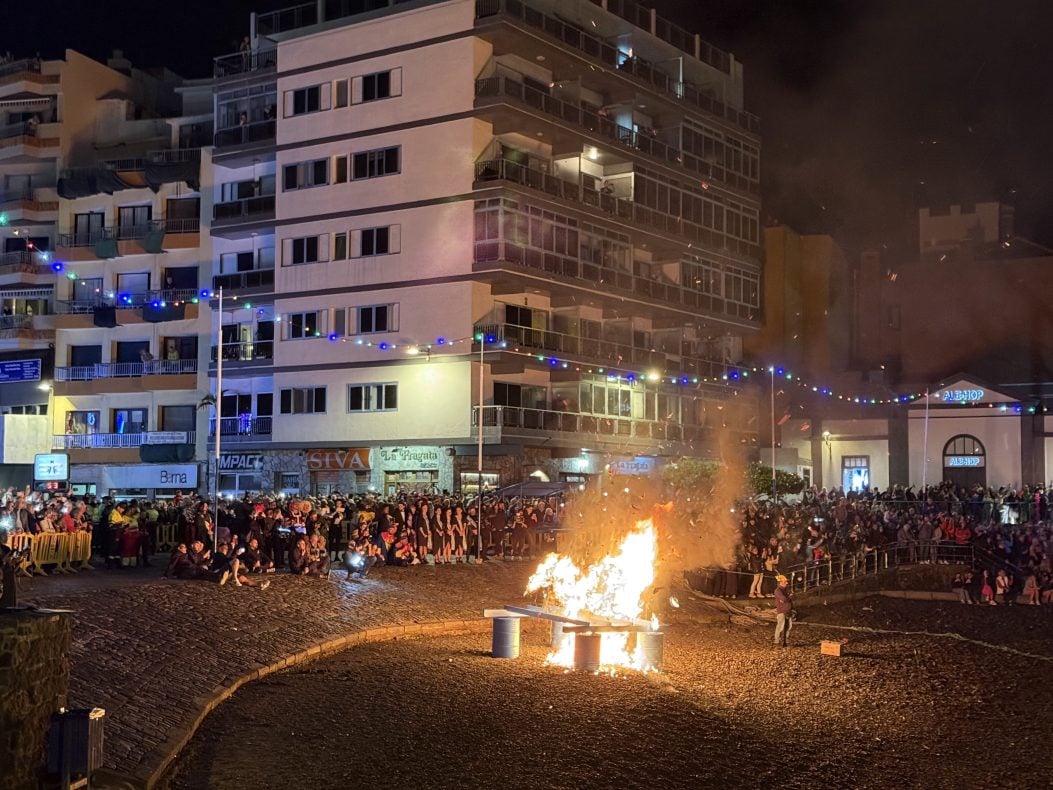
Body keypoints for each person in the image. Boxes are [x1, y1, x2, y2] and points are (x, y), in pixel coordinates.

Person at [773, 574, 794, 647]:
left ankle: (785, 639)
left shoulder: (785, 590)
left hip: (788, 611)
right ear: (780, 582)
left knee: (788, 626)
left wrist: (788, 598)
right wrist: (789, 597)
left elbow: (787, 599)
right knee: (780, 626)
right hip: (782, 611)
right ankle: (777, 640)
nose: (787, 583)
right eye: (785, 582)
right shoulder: (778, 591)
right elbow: (784, 599)